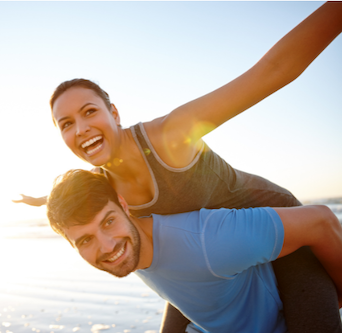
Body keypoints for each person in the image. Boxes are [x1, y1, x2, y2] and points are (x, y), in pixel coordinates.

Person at [13, 2, 342, 332]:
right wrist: (40, 200)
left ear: (114, 112)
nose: (80, 129)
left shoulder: (171, 136)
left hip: (276, 221)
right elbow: (74, 199)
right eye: (66, 124)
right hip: (209, 258)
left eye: (89, 112)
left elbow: (274, 69)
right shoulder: (104, 186)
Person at [46, 169, 342, 333]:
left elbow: (320, 221)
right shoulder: (129, 246)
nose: (107, 246)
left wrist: (338, 296)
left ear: (124, 206)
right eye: (85, 240)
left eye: (108, 221)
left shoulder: (208, 240)